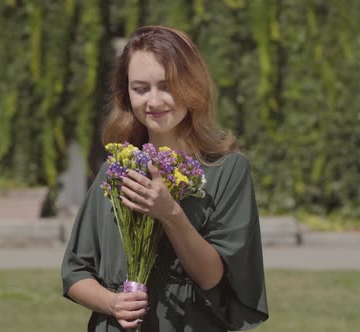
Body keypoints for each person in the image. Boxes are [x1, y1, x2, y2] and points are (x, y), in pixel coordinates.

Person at [61, 25, 269, 331]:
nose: (154, 102)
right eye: (140, 88)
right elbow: (75, 272)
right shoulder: (117, 170)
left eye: (167, 86)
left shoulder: (227, 170)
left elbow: (212, 278)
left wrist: (169, 212)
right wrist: (112, 302)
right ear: (126, 93)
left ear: (192, 85)